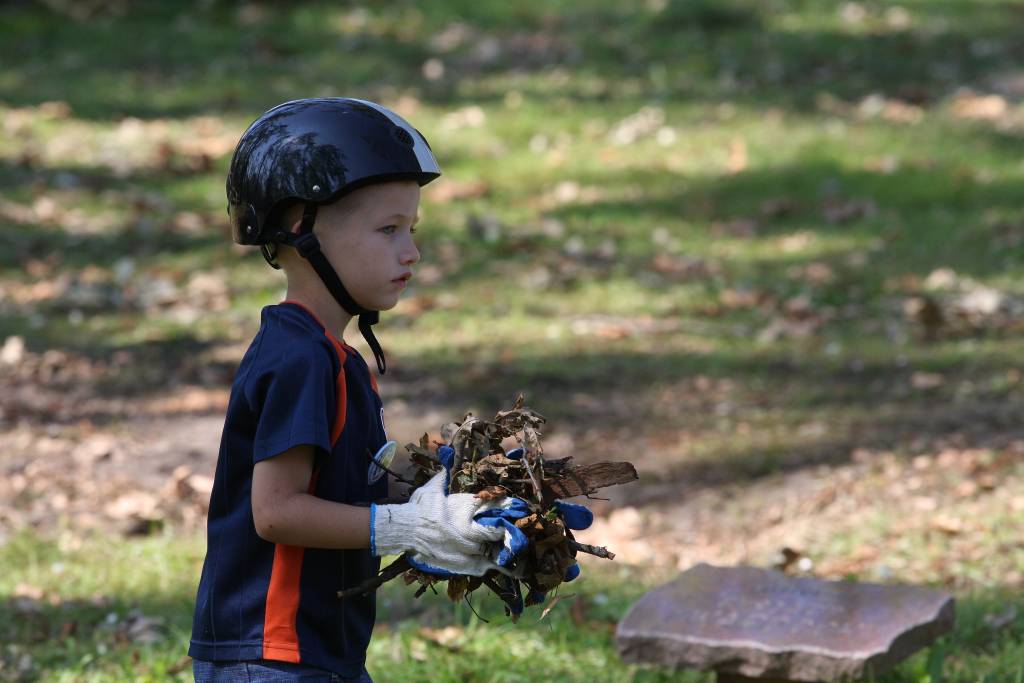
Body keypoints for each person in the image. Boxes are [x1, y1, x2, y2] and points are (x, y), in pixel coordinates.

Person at [188, 98, 518, 682]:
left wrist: (456, 496)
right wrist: (406, 528)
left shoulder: (340, 362)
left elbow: (354, 486)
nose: (411, 251)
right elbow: (277, 511)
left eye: (411, 230)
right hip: (269, 657)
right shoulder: (298, 361)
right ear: (299, 227)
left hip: (322, 653)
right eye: (388, 229)